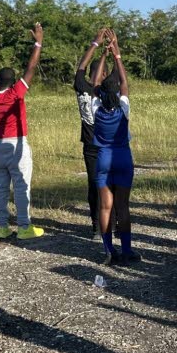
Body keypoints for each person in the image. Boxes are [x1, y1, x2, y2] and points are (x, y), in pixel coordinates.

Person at [0, 22, 44, 240]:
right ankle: (24, 226)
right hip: (17, 144)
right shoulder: (17, 93)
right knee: (22, 186)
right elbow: (31, 68)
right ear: (14, 82)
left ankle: (2, 227)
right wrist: (38, 43)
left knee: (1, 188)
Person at [91, 29, 139, 265]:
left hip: (102, 159)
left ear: (100, 93)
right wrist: (116, 54)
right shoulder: (123, 110)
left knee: (106, 207)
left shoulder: (95, 109)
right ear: (118, 93)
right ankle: (127, 250)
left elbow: (95, 82)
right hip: (123, 158)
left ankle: (109, 250)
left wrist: (102, 55)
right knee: (123, 206)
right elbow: (125, 82)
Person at [75, 30, 110, 234]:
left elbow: (80, 67)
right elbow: (121, 78)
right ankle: (110, 223)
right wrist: (113, 51)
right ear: (103, 75)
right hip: (107, 145)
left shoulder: (81, 87)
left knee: (93, 184)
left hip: (90, 146)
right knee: (109, 184)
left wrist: (94, 44)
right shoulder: (107, 93)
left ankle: (96, 225)